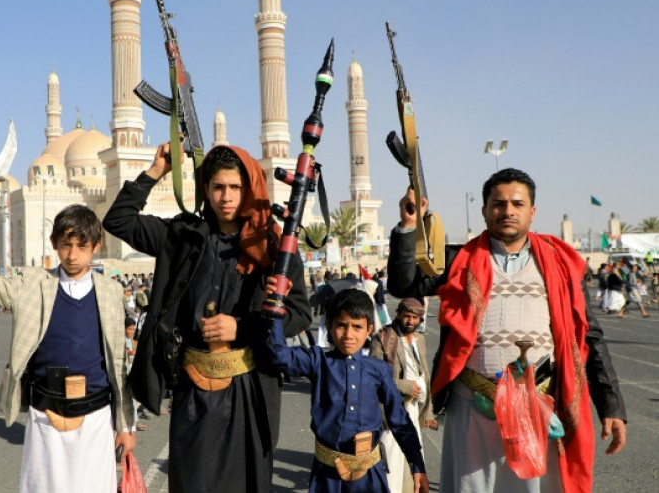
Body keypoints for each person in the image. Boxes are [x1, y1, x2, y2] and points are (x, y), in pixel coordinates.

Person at [387, 168, 627, 493]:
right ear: (485, 210)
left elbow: (589, 336)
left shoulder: (559, 263)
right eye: (498, 204)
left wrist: (611, 406)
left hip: (540, 409)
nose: (508, 211)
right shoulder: (459, 259)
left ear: (532, 211)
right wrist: (409, 225)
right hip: (472, 409)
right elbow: (404, 284)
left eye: (517, 203)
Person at [103, 143, 311, 492]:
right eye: (218, 187)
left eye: (235, 187)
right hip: (193, 390)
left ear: (248, 190)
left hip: (248, 390)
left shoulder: (273, 245)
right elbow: (118, 220)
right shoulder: (183, 236)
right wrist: (157, 171)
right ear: (206, 189)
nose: (226, 197)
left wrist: (242, 326)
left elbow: (300, 312)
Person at [0, 190, 135, 493]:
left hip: (96, 419)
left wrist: (126, 425)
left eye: (81, 246)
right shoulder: (30, 285)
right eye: (66, 244)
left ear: (96, 246)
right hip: (44, 418)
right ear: (54, 244)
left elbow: (119, 364)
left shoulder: (110, 291)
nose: (72, 254)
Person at [266, 288, 429, 493]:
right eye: (341, 325)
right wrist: (276, 308)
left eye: (357, 327)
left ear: (369, 329)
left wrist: (417, 465)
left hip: (369, 477)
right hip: (327, 476)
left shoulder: (378, 370)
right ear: (328, 326)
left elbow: (399, 420)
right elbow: (278, 355)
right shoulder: (318, 361)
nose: (348, 335)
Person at [369, 298, 436, 493]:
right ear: (398, 314)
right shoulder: (382, 338)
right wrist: (404, 386)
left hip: (414, 407)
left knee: (412, 461)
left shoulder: (419, 339)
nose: (410, 321)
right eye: (406, 316)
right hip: (392, 409)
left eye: (415, 317)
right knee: (392, 461)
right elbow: (376, 375)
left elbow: (424, 374)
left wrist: (429, 412)